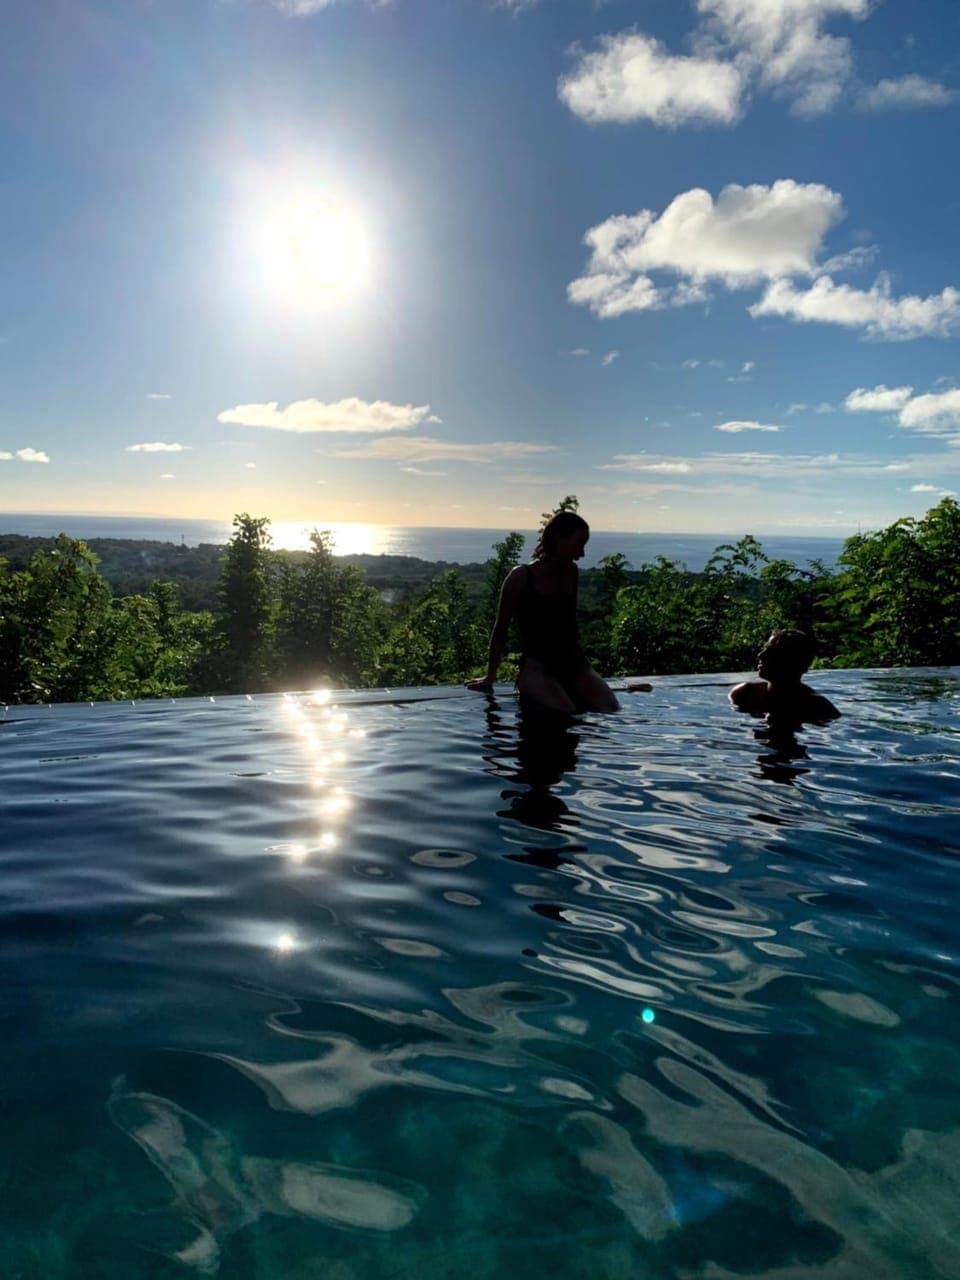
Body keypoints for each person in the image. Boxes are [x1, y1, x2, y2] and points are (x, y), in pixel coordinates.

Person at [465, 510, 620, 712]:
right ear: (557, 538)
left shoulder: (571, 572)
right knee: (566, 713)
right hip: (536, 667)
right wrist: (490, 676)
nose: (581, 554)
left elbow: (570, 625)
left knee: (611, 709)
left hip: (574, 663)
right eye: (578, 545)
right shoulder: (521, 577)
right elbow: (500, 628)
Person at [730, 629, 839, 722]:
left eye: (772, 652)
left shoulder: (818, 708)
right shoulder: (744, 694)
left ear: (792, 662)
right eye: (764, 649)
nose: (760, 655)